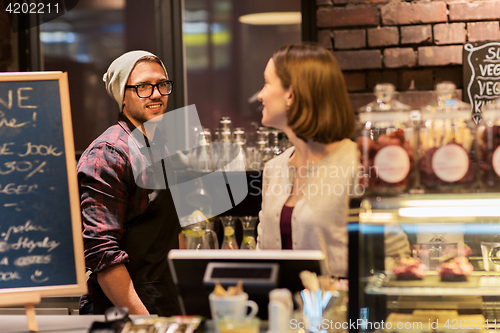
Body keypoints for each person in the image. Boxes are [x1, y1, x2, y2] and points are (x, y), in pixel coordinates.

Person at [77, 50, 182, 316]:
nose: (156, 94)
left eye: (161, 85)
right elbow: (102, 254)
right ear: (122, 96)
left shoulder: (164, 146)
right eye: (143, 87)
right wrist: (144, 323)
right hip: (124, 312)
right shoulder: (109, 152)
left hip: (163, 300)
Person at [256, 44, 359, 278]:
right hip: (281, 312)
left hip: (339, 311)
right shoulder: (274, 169)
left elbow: (390, 255)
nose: (260, 95)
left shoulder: (357, 165)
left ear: (290, 94)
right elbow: (262, 253)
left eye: (266, 83)